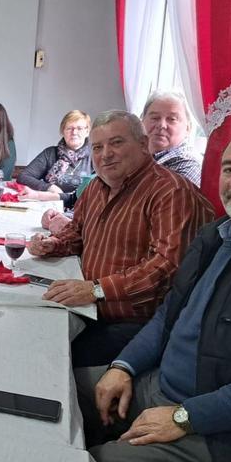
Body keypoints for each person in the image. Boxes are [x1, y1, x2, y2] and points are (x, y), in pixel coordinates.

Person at [77, 128, 231, 462]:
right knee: (58, 393)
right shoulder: (217, 236)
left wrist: (187, 417)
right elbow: (168, 316)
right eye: (229, 169)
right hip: (159, 386)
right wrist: (124, 366)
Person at [28, 111, 214, 367]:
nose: (106, 154)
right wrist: (53, 245)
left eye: (116, 143)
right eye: (97, 147)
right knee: (25, 326)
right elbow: (76, 234)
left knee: (45, 355)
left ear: (143, 144)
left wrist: (96, 289)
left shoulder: (171, 192)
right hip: (91, 308)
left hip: (138, 324)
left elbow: (167, 267)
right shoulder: (96, 187)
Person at [17, 110, 94, 208]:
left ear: (87, 131)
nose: (74, 132)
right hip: (49, 206)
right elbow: (23, 177)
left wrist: (56, 196)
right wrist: (49, 187)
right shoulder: (50, 153)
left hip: (80, 209)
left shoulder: (95, 156)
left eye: (79, 128)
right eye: (69, 128)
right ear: (62, 131)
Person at [141, 90, 202, 186]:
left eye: (172, 119)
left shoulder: (188, 165)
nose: (161, 125)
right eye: (155, 118)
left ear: (188, 128)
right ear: (142, 121)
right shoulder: (137, 154)